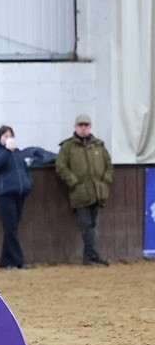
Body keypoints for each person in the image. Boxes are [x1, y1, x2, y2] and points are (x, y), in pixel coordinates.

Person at [55, 114, 113, 266]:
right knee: (86, 224)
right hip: (80, 192)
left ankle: (89, 257)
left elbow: (109, 165)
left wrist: (105, 181)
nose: (83, 128)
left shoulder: (99, 146)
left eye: (86, 125)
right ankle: (92, 255)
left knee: (92, 224)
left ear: (90, 127)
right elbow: (61, 166)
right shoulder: (68, 147)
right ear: (75, 127)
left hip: (97, 191)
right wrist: (73, 182)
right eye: (80, 125)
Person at [0, 125, 32, 269]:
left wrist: (28, 183)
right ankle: (19, 261)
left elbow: (25, 169)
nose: (8, 139)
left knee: (12, 228)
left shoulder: (17, 153)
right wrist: (6, 151)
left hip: (19, 193)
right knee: (10, 228)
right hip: (4, 194)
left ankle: (4, 262)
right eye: (5, 136)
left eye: (10, 136)